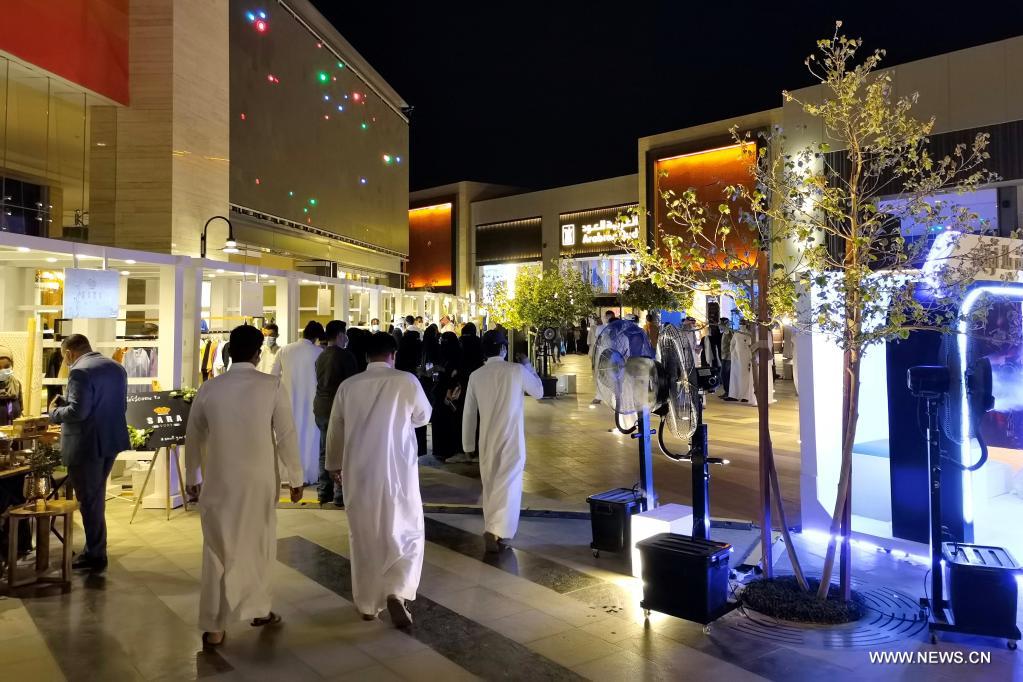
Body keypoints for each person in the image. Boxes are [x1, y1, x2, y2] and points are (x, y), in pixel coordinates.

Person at [185, 324, 304, 647]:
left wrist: (193, 476)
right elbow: (286, 435)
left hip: (219, 480)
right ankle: (258, 608)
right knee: (258, 544)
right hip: (258, 481)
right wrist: (295, 478)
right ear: (257, 352)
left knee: (216, 548)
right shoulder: (271, 386)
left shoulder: (209, 389)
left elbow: (194, 435)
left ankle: (215, 626)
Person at [326, 332, 431, 628]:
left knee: (363, 535)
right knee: (406, 530)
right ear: (392, 355)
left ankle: (368, 605)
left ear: (365, 356)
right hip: (399, 471)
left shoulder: (349, 386)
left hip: (359, 471)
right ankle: (397, 590)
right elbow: (424, 416)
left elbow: (335, 429)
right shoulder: (406, 381)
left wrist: (333, 465)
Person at [48, 334, 129, 571]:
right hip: (110, 440)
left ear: (68, 353)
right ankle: (96, 549)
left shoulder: (79, 371)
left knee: (89, 499)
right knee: (95, 496)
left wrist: (54, 413)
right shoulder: (116, 368)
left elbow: (77, 412)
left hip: (86, 444)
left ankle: (95, 553)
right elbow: (121, 405)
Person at [462, 330, 543, 552]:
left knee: (490, 484)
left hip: (487, 440)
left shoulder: (476, 376)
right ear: (503, 348)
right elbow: (538, 392)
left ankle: (492, 527)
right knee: (509, 485)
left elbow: (469, 413)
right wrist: (528, 366)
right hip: (512, 438)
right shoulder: (516, 370)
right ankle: (497, 531)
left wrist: (468, 445)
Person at [272, 321, 324, 484]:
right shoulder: (319, 352)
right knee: (310, 439)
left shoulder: (284, 350)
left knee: (288, 437)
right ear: (316, 338)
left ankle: (287, 476)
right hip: (312, 402)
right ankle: (308, 475)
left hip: (288, 401)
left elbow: (273, 377)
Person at [314, 320, 358, 507]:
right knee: (341, 451)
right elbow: (352, 384)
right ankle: (340, 493)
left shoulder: (321, 356)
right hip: (338, 408)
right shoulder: (346, 356)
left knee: (324, 449)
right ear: (340, 335)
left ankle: (324, 492)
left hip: (321, 407)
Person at [431, 332, 463, 461]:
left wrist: (442, 370)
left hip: (447, 393)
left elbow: (454, 374)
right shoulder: (457, 354)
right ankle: (445, 449)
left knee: (444, 421)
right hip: (445, 392)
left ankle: (444, 450)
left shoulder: (452, 357)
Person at [727, 320, 755, 403]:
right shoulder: (736, 333)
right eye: (740, 323)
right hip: (736, 358)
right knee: (735, 375)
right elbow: (732, 344)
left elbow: (750, 344)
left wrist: (750, 356)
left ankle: (745, 396)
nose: (742, 325)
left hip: (746, 357)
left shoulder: (749, 333)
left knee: (745, 376)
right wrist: (733, 353)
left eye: (743, 324)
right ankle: (734, 395)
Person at [0, 347, 24, 425]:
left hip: (13, 432)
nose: (2, 370)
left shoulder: (16, 385)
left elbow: (20, 412)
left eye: (6, 367)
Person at [718, 318, 734, 399]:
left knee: (725, 375)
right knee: (724, 375)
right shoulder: (725, 332)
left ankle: (728, 392)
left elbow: (732, 345)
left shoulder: (728, 332)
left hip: (728, 357)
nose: (718, 325)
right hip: (725, 357)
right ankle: (727, 392)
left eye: (720, 323)